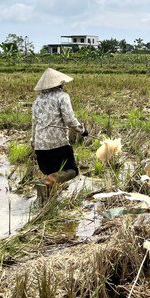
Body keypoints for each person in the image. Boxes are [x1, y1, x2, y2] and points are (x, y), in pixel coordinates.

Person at [31, 68, 88, 202]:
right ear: (59, 84)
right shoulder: (62, 96)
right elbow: (69, 119)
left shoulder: (37, 100)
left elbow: (34, 123)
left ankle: (44, 206)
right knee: (72, 171)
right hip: (57, 143)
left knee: (50, 172)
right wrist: (82, 130)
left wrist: (34, 142)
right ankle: (46, 182)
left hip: (40, 145)